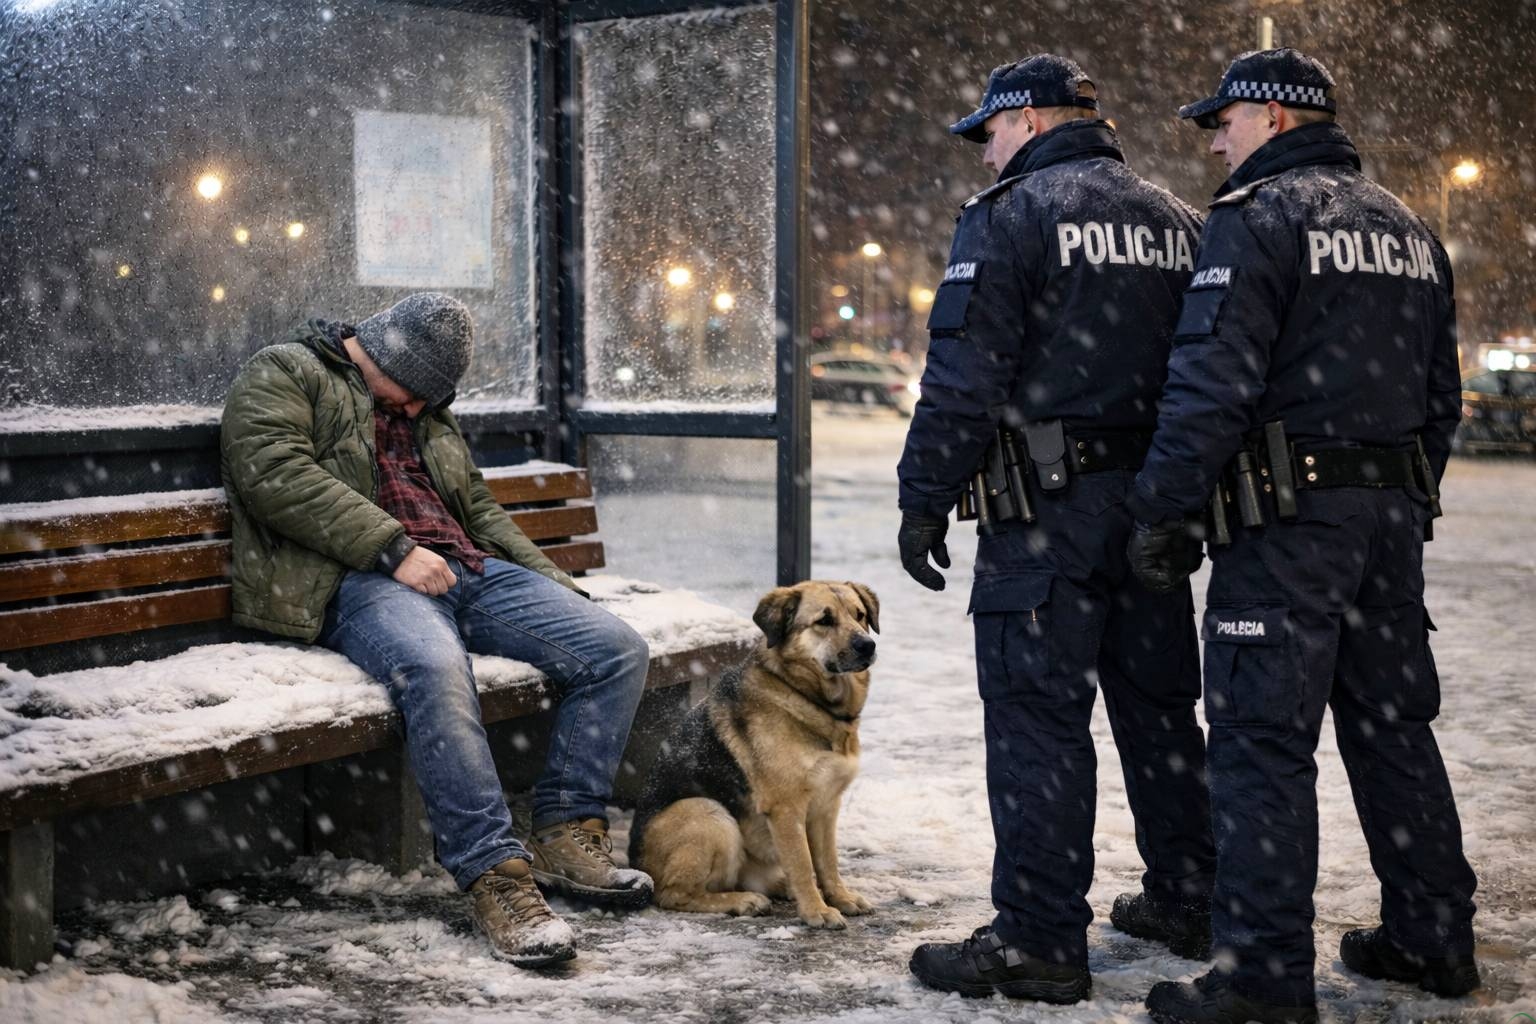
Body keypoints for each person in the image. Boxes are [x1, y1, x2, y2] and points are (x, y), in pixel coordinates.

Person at [1126, 49, 1480, 1024]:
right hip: (1386, 527)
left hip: (1285, 529)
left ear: (1275, 118)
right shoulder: (1408, 227)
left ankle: (1264, 975)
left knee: (1260, 745)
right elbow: (1441, 399)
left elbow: (1210, 385)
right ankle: (1432, 934)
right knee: (1392, 728)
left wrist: (1165, 509)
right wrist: (1402, 502)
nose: (1215, 138)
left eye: (1225, 120)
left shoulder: (1259, 221)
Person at [897, 55, 1217, 1004]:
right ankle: (1190, 894)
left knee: (1038, 722)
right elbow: (1210, 372)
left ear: (1027, 123)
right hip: (1150, 507)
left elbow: (964, 374)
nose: (984, 153)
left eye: (988, 133)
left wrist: (924, 493)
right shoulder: (1179, 220)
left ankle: (1039, 938)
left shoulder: (1011, 217)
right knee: (1160, 714)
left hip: (1045, 514)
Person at [220, 292, 654, 969]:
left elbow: (475, 507)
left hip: (463, 570)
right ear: (383, 355)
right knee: (436, 669)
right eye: (416, 391)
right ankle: (497, 878)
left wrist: (553, 588)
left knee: (615, 649)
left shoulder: (426, 408)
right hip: (358, 577)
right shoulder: (285, 372)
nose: (422, 407)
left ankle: (567, 831)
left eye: (434, 396)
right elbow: (272, 475)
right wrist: (392, 549)